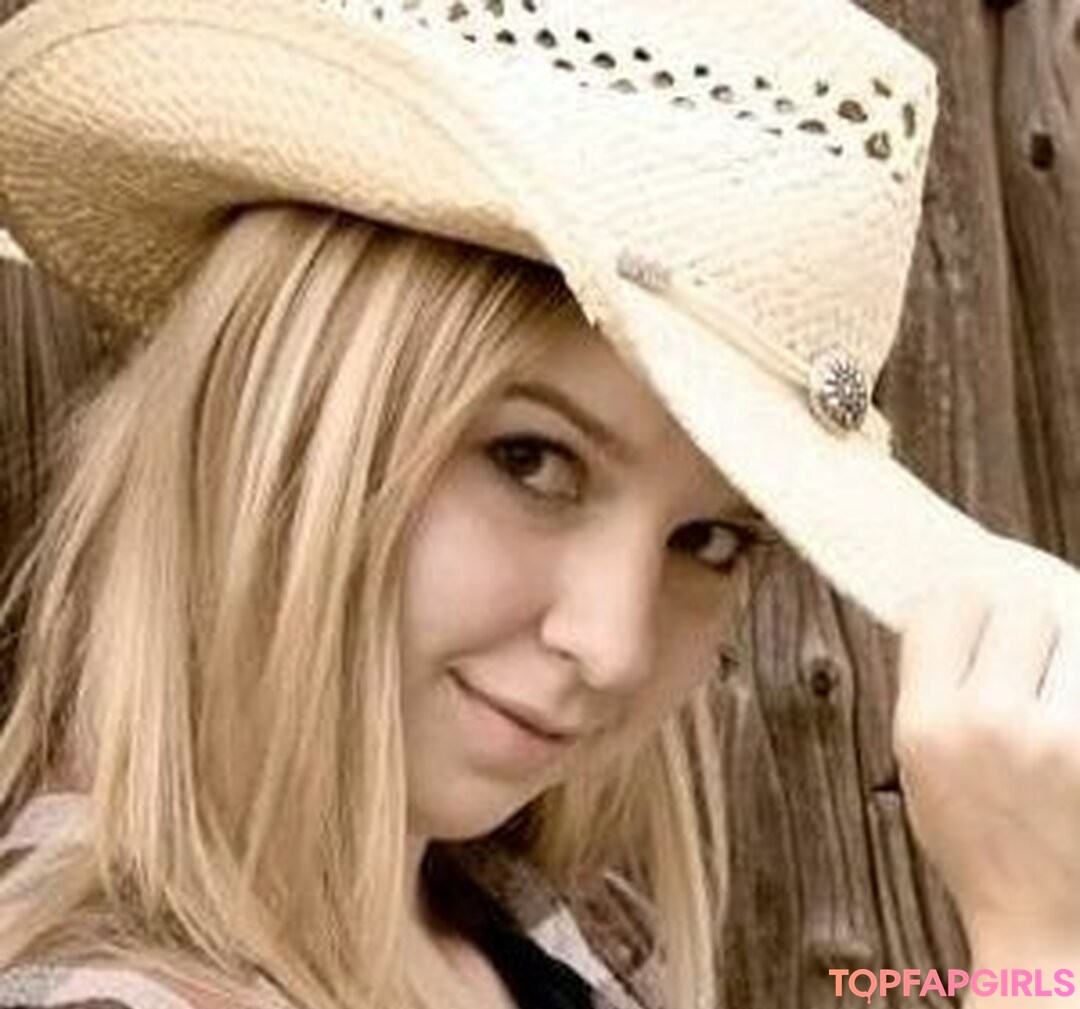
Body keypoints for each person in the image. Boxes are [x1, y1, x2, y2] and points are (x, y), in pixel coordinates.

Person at [0, 2, 1078, 1009]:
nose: (612, 645)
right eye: (531, 459)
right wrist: (1037, 952)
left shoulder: (539, 927)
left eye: (709, 538)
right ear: (278, 410)